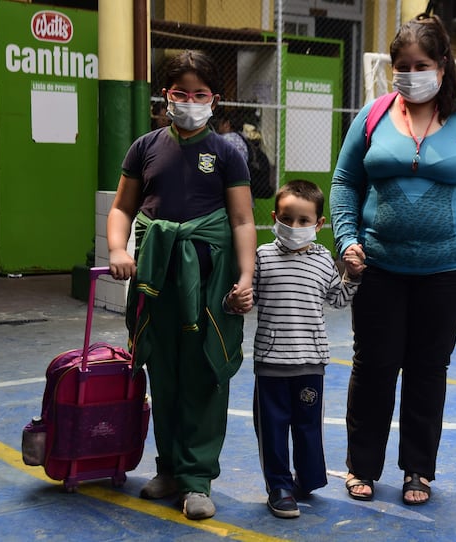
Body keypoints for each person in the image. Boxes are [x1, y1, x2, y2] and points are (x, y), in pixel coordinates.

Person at [329, 13, 456, 506]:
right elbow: (345, 182)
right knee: (373, 366)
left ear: (442, 64)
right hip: (378, 265)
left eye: (421, 64)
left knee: (428, 368)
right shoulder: (371, 116)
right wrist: (346, 238)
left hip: (450, 269)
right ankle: (361, 466)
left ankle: (418, 471)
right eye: (402, 65)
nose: (411, 73)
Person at [107, 49, 256, 520]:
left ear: (215, 99)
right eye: (180, 93)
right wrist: (117, 249)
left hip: (210, 284)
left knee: (205, 373)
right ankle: (168, 467)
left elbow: (242, 219)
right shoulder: (145, 147)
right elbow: (121, 209)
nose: (190, 101)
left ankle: (197, 479)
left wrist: (246, 277)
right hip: (156, 280)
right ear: (165, 96)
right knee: (162, 373)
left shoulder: (228, 152)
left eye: (200, 93)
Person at [226, 179, 360, 518]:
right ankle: (280, 487)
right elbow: (244, 299)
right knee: (272, 430)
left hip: (311, 364)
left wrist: (353, 277)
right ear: (274, 217)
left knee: (307, 425)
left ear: (319, 224)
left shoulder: (324, 262)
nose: (294, 227)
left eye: (303, 221)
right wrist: (234, 300)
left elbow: (337, 299)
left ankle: (309, 479)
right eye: (287, 219)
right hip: (272, 364)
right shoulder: (262, 257)